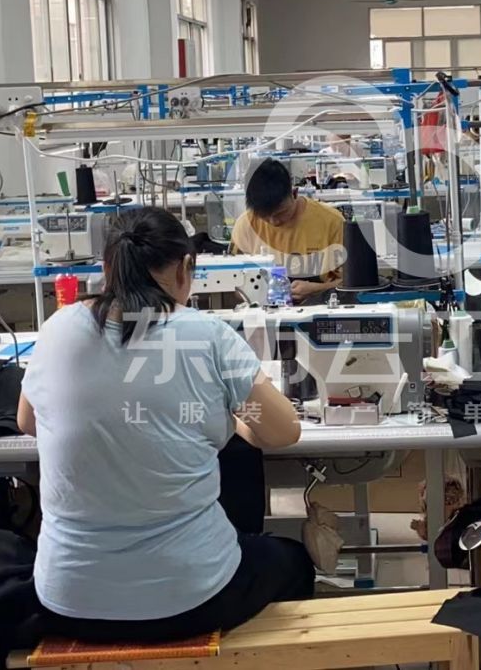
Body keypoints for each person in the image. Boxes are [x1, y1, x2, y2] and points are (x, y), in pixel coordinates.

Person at [17, 206, 313, 642]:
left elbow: (27, 421)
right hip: (190, 599)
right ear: (184, 268)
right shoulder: (207, 335)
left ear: (107, 269)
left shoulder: (59, 327)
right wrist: (236, 420)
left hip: (68, 600)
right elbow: (284, 430)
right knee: (292, 560)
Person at [230, 158, 345, 303]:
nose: (274, 222)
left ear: (294, 193)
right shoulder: (246, 225)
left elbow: (353, 282)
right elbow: (232, 282)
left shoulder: (331, 222)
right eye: (264, 216)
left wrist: (317, 289)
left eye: (281, 213)